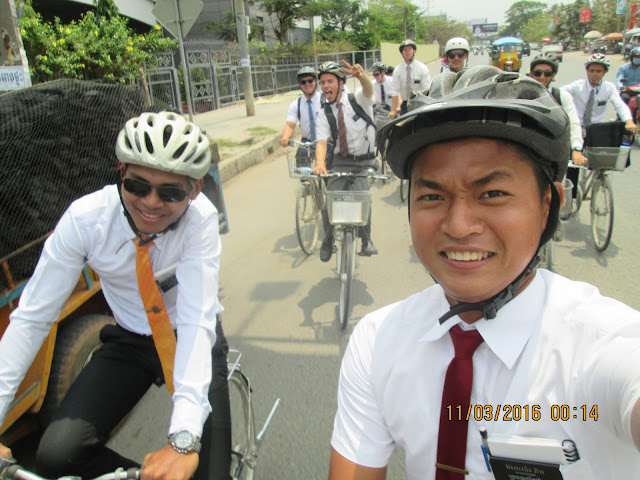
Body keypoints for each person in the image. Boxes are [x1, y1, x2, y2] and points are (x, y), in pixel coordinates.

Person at [327, 65, 640, 479]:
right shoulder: (377, 342)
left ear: (547, 205)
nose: (459, 226)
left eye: (492, 193)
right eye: (432, 196)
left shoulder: (600, 345)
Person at [0, 112, 231, 480]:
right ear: (121, 171)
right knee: (57, 457)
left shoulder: (200, 219)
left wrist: (184, 440)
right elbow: (32, 318)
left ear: (195, 189)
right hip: (130, 339)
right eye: (138, 186)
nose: (151, 203)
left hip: (186, 335)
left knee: (210, 473)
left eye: (171, 192)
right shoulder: (85, 219)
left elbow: (195, 319)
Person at [313, 60, 378, 262]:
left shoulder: (358, 99)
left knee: (362, 197)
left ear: (341, 83)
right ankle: (327, 240)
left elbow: (368, 90)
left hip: (365, 162)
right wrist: (320, 164)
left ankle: (366, 240)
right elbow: (321, 142)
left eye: (330, 81)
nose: (325, 86)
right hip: (341, 162)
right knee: (329, 205)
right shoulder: (324, 113)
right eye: (322, 82)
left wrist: (361, 76)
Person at [528, 54, 587, 166]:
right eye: (537, 73)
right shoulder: (521, 95)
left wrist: (576, 149)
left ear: (553, 75)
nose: (542, 77)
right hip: (528, 150)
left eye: (547, 73)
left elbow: (573, 123)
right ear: (531, 74)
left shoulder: (561, 96)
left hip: (554, 150)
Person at [561, 53, 638, 135]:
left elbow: (619, 105)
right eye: (592, 71)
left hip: (597, 129)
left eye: (598, 71)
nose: (594, 74)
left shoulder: (609, 87)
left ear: (605, 72)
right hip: (576, 127)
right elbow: (558, 92)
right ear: (587, 71)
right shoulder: (577, 86)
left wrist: (629, 121)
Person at [280, 65, 322, 164]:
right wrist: (285, 137)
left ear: (316, 81)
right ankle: (304, 175)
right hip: (307, 142)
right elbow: (290, 125)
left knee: (328, 169)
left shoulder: (324, 100)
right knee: (301, 166)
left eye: (310, 81)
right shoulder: (296, 104)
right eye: (303, 82)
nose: (307, 84)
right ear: (299, 84)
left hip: (325, 140)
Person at [389, 39, 431, 119]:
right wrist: (393, 110)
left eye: (409, 49)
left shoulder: (422, 68)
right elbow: (395, 91)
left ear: (414, 51)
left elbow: (427, 89)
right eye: (405, 50)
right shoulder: (398, 70)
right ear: (402, 53)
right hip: (405, 104)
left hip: (419, 103)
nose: (407, 51)